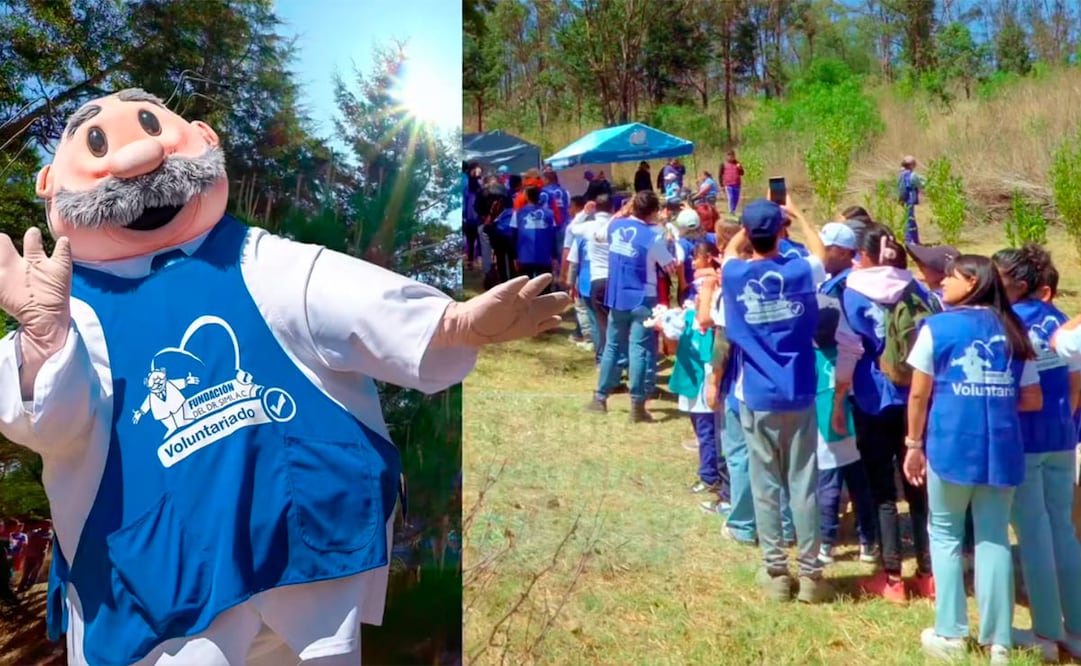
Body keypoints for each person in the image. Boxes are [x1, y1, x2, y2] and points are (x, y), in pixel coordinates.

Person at [0, 88, 570, 666]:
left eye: (151, 125)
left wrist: (451, 324)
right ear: (51, 185)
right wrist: (44, 341)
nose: (135, 157)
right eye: (97, 143)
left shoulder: (257, 257)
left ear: (204, 137)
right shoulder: (72, 305)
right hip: (155, 586)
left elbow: (347, 299)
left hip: (299, 557)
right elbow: (51, 421)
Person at [902, 254, 1041, 664]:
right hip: (1001, 447)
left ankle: (950, 632)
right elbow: (1031, 398)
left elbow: (918, 394)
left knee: (945, 533)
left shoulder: (937, 328)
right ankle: (999, 640)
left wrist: (912, 444)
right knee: (994, 537)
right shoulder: (1015, 330)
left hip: (952, 445)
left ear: (974, 282)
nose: (942, 283)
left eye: (952, 277)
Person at [720, 197, 830, 603]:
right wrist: (799, 216)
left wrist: (747, 235)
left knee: (765, 484)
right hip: (800, 390)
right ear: (781, 231)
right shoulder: (801, 271)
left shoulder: (735, 276)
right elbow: (820, 252)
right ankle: (812, 575)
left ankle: (776, 573)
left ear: (749, 234)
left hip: (757, 395)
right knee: (803, 484)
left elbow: (729, 253)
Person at [992, 245, 1081, 662]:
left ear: (1020, 284)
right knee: (1062, 530)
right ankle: (1076, 627)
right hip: (1061, 436)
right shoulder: (1058, 318)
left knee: (1033, 536)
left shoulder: (1004, 323)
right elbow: (1076, 379)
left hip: (1025, 443)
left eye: (998, 276)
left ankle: (1047, 630)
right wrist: (1063, 418)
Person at [842, 223, 937, 603]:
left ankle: (892, 576)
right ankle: (928, 574)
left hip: (871, 395)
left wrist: (838, 398)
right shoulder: (918, 290)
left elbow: (849, 348)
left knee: (882, 489)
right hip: (916, 394)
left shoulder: (852, 292)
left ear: (864, 255)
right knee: (917, 484)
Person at [812, 224, 878, 566]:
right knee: (855, 471)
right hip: (850, 387)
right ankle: (868, 541)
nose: (821, 252)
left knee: (831, 469)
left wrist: (839, 396)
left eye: (826, 247)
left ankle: (826, 543)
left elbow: (849, 344)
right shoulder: (846, 283)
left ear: (842, 251)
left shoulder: (842, 290)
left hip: (836, 386)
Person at [585, 191, 676, 422]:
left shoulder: (615, 227)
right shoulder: (653, 236)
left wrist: (621, 212)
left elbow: (598, 235)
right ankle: (637, 404)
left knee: (612, 346)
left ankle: (600, 396)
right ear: (654, 211)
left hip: (618, 296)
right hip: (644, 297)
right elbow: (670, 266)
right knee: (639, 349)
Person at [663, 241, 731, 501]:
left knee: (707, 426)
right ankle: (709, 472)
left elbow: (707, 320)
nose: (693, 263)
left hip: (707, 362)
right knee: (697, 420)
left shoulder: (715, 289)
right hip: (691, 359)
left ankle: (711, 475)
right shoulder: (700, 286)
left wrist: (707, 290)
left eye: (698, 258)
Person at [512, 186, 558, 282]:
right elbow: (554, 236)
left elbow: (514, 236)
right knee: (543, 286)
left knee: (524, 286)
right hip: (544, 255)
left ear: (527, 197)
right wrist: (554, 256)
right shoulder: (549, 213)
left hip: (524, 255)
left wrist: (514, 256)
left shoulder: (518, 213)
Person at [907, 243, 959, 310]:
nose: (918, 264)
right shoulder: (960, 296)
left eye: (924, 264)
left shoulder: (937, 300)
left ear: (944, 273)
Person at [18, 519, 51, 594]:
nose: (45, 526)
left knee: (35, 571)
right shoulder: (34, 532)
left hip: (40, 555)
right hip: (30, 554)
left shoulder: (49, 533)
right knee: (26, 571)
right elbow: (27, 539)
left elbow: (45, 539)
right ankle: (21, 587)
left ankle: (29, 586)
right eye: (44, 524)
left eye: (47, 525)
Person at [898, 155, 924, 245]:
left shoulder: (901, 174)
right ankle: (911, 241)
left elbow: (900, 188)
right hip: (909, 199)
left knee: (908, 219)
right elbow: (922, 184)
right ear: (911, 165)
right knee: (910, 220)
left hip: (904, 199)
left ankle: (912, 240)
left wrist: (900, 199)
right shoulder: (913, 175)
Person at [720, 150, 745, 215]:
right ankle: (731, 211)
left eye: (732, 156)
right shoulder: (723, 164)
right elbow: (720, 175)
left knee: (736, 198)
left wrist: (740, 168)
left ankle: (733, 209)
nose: (731, 157)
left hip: (736, 184)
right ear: (727, 156)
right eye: (729, 156)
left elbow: (742, 173)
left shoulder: (737, 163)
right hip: (728, 184)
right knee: (731, 197)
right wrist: (721, 185)